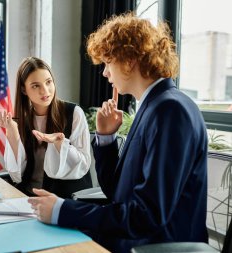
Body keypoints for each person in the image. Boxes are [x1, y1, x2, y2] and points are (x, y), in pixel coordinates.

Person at [28, 13, 208, 253]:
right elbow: (117, 193)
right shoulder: (152, 106)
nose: (104, 73)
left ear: (130, 60)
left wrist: (63, 210)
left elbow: (147, 216)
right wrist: (105, 139)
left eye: (107, 62)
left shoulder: (170, 111)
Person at [0, 56, 92, 198]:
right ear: (24, 89)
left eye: (48, 82)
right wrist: (12, 130)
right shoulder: (23, 120)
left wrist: (59, 143)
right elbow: (17, 175)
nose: (45, 91)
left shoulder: (74, 113)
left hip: (65, 200)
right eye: (36, 85)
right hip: (30, 197)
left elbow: (82, 165)